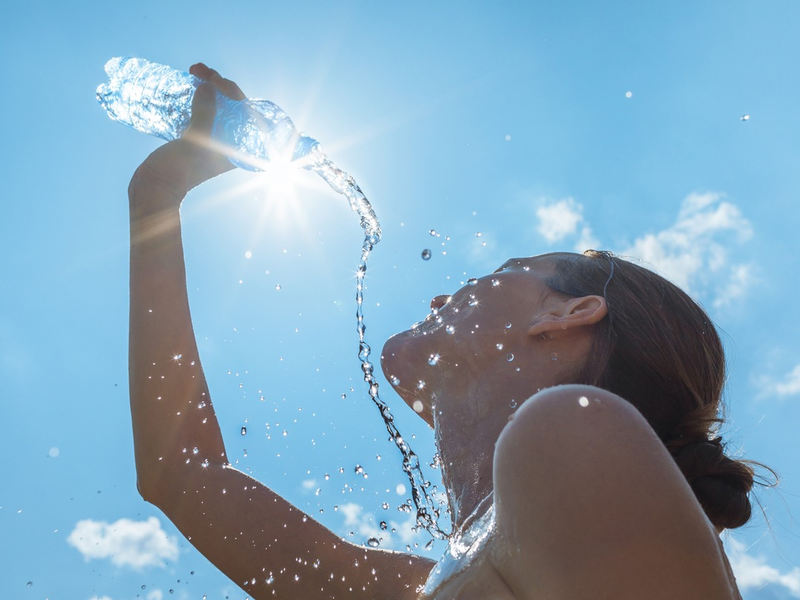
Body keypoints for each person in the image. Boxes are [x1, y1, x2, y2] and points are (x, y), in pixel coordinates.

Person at [127, 63, 764, 599]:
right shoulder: (450, 579)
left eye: (505, 270)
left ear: (568, 314)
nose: (440, 294)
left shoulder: (575, 424)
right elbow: (182, 478)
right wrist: (157, 199)